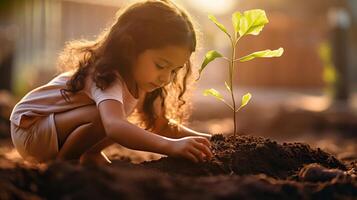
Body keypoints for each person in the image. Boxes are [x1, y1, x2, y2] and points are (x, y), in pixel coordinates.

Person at [9, 0, 213, 165]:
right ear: (130, 48)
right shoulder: (107, 75)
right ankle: (67, 164)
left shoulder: (143, 81)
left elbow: (161, 125)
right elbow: (114, 127)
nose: (166, 78)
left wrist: (210, 140)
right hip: (30, 129)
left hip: (52, 131)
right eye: (161, 65)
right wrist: (171, 147)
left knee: (115, 117)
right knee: (110, 118)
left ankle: (88, 155)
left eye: (174, 70)